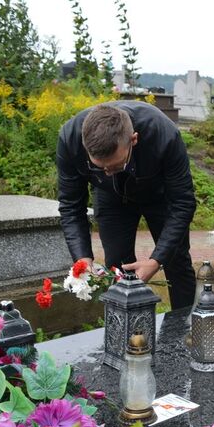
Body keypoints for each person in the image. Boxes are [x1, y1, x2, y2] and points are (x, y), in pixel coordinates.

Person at [56, 101, 197, 309]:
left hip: (160, 194)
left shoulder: (163, 134)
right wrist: (82, 258)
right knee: (118, 265)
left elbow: (183, 203)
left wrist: (156, 261)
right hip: (110, 197)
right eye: (99, 167)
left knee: (176, 261)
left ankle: (184, 327)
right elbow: (70, 206)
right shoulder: (70, 139)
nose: (107, 171)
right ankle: (127, 332)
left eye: (114, 166)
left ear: (134, 140)